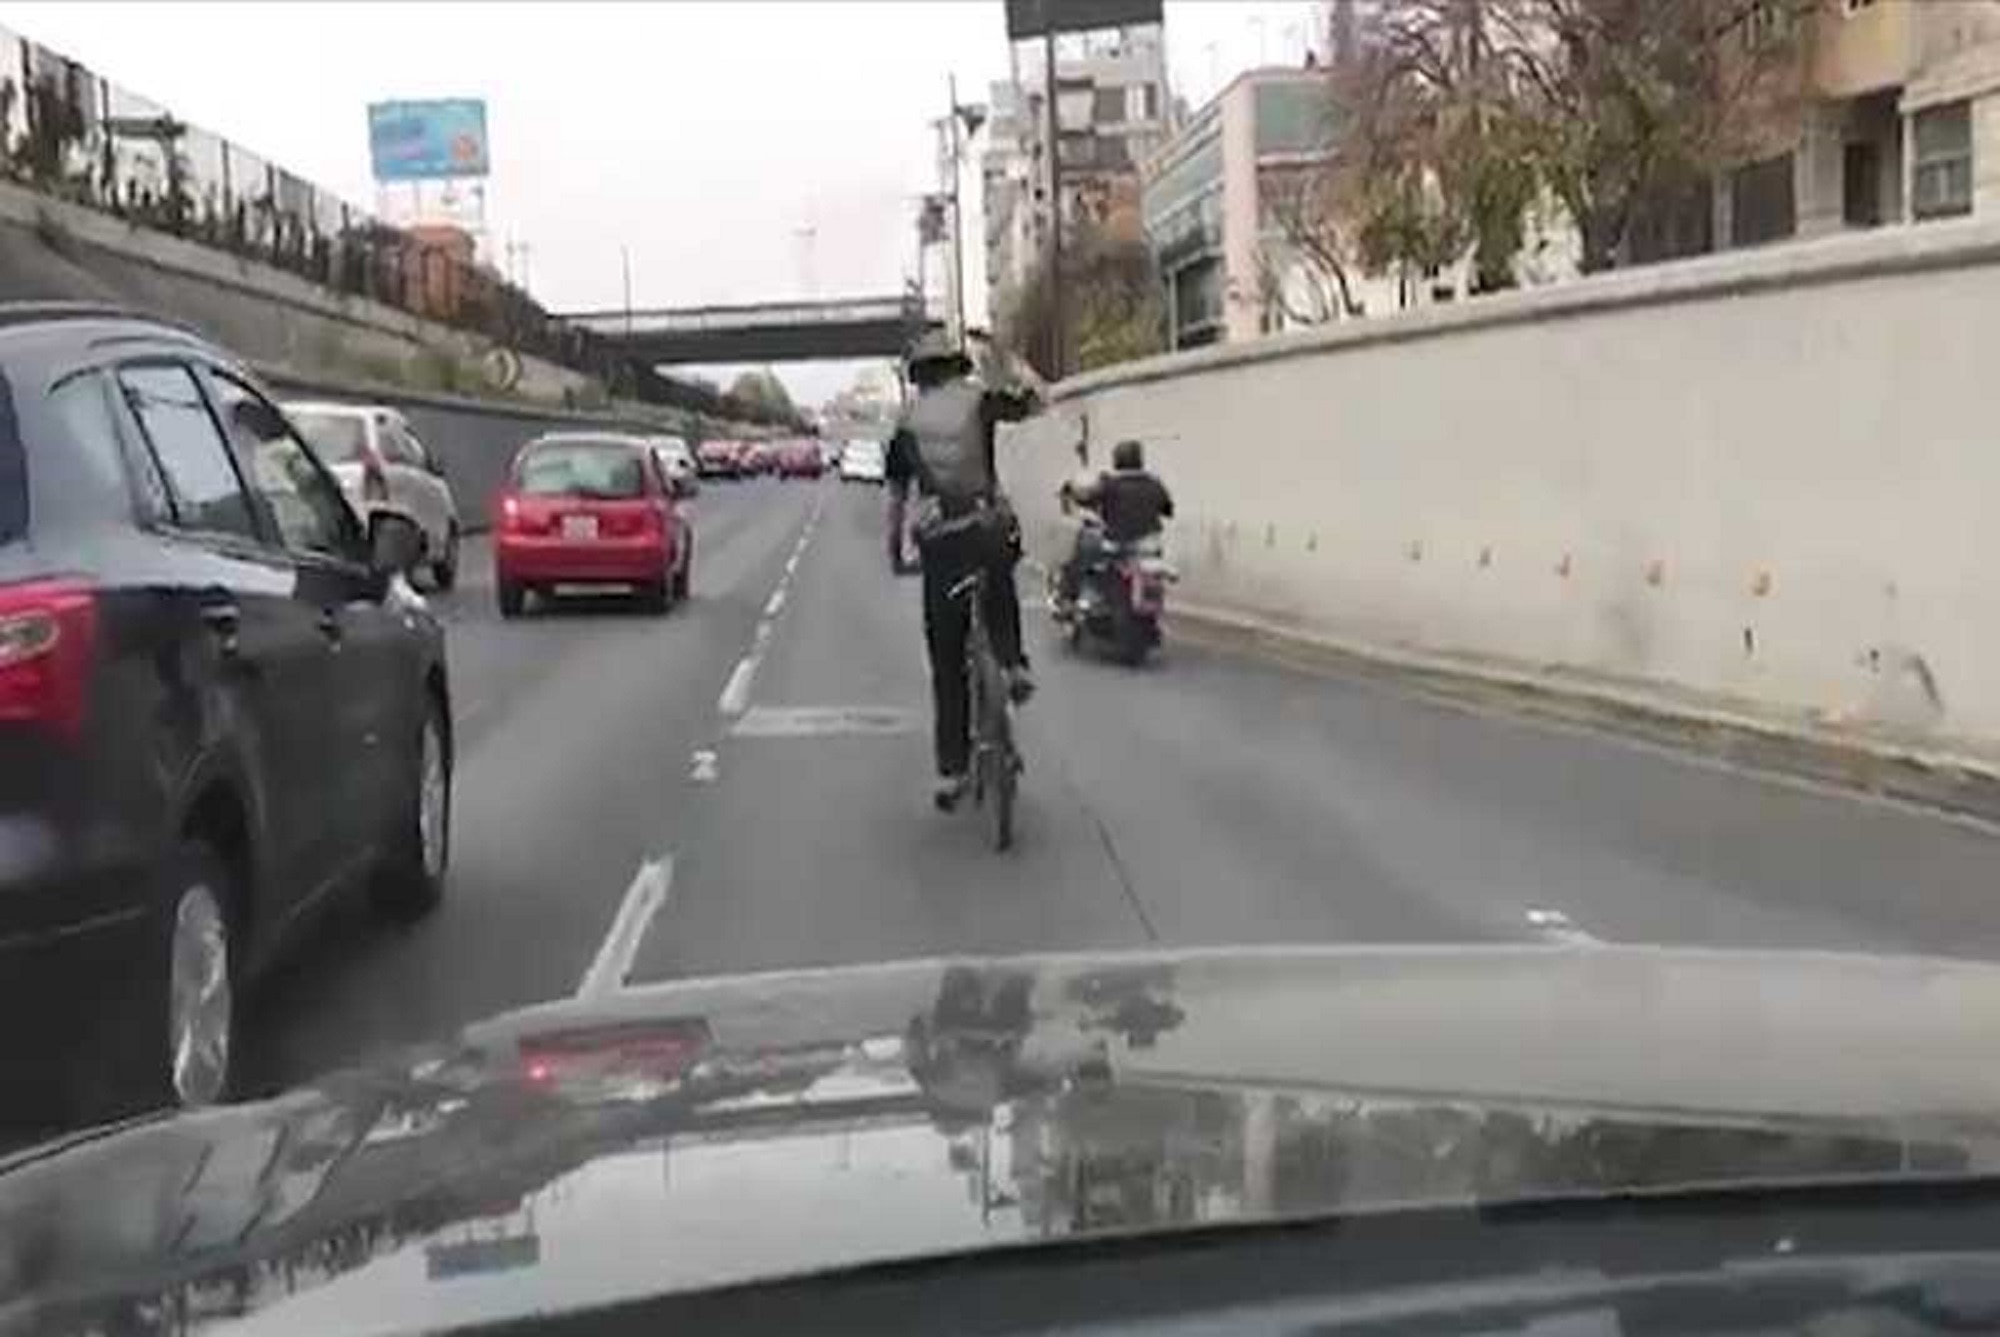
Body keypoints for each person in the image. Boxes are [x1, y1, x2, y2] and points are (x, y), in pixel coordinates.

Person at [885, 331, 1039, 812]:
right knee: (1001, 579)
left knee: (948, 663)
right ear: (958, 367)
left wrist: (896, 551)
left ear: (919, 377)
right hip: (987, 525)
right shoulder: (982, 401)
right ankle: (1013, 665)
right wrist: (1008, 355)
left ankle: (951, 772)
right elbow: (1037, 400)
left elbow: (895, 500)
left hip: (941, 540)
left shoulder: (906, 425)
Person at [1056, 438, 1175, 610]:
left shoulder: (1110, 484)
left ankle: (1069, 594)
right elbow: (1168, 510)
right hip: (1148, 544)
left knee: (1083, 550)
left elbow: (1087, 499)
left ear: (1117, 460)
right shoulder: (1154, 483)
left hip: (1118, 543)